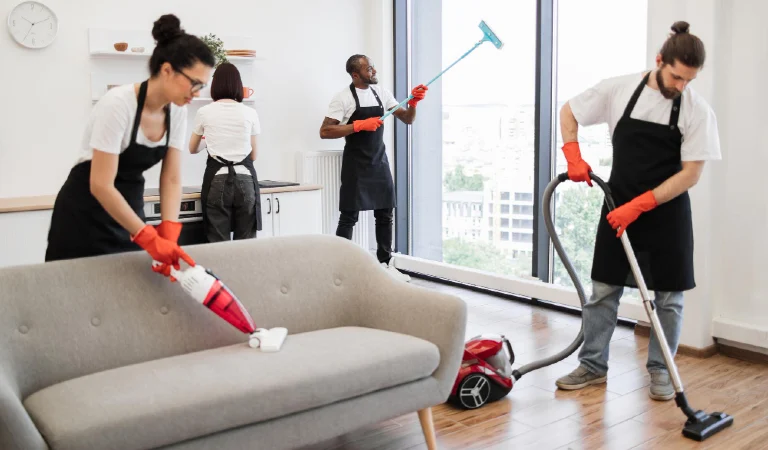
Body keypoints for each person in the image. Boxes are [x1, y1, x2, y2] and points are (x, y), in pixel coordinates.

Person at [554, 21, 721, 401]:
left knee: (669, 298)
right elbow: (569, 111)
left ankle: (662, 371)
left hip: (666, 211)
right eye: (677, 76)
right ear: (660, 60)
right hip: (617, 204)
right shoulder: (619, 88)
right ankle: (593, 366)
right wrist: (572, 152)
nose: (681, 86)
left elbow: (691, 173)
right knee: (603, 289)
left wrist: (643, 204)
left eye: (688, 81)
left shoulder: (696, 109)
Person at [45, 14, 215, 277]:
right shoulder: (118, 104)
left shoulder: (177, 111)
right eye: (194, 83)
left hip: (128, 209)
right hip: (85, 212)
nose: (197, 93)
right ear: (167, 70)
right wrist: (147, 236)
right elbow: (100, 184)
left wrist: (169, 231)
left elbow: (170, 178)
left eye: (202, 86)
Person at [319, 54, 427, 282]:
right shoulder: (342, 98)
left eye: (373, 67)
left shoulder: (382, 93)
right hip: (356, 166)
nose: (374, 71)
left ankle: (385, 265)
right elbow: (325, 131)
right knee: (349, 217)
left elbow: (407, 118)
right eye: (369, 69)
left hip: (379, 163)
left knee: (385, 214)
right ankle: (340, 269)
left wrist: (414, 102)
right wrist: (357, 125)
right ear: (355, 74)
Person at [189, 62, 262, 242]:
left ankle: (219, 271)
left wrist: (211, 141)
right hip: (245, 179)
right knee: (245, 243)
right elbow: (253, 156)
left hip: (217, 180)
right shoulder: (250, 112)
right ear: (238, 85)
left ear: (215, 86)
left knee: (217, 244)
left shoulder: (204, 112)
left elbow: (192, 148)